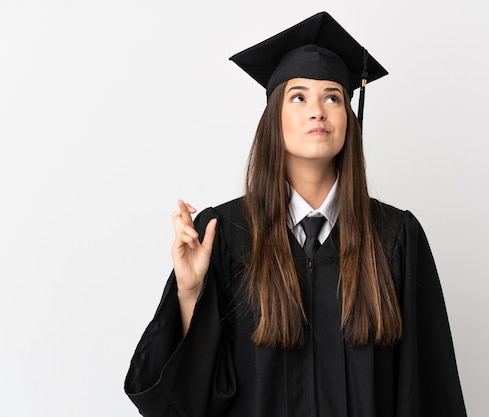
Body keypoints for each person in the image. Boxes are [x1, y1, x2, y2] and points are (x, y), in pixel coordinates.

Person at [125, 11, 467, 417]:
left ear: (348, 120)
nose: (317, 111)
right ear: (274, 118)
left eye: (333, 97)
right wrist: (190, 293)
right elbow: (185, 399)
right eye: (299, 96)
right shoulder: (226, 234)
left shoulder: (396, 237)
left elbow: (426, 388)